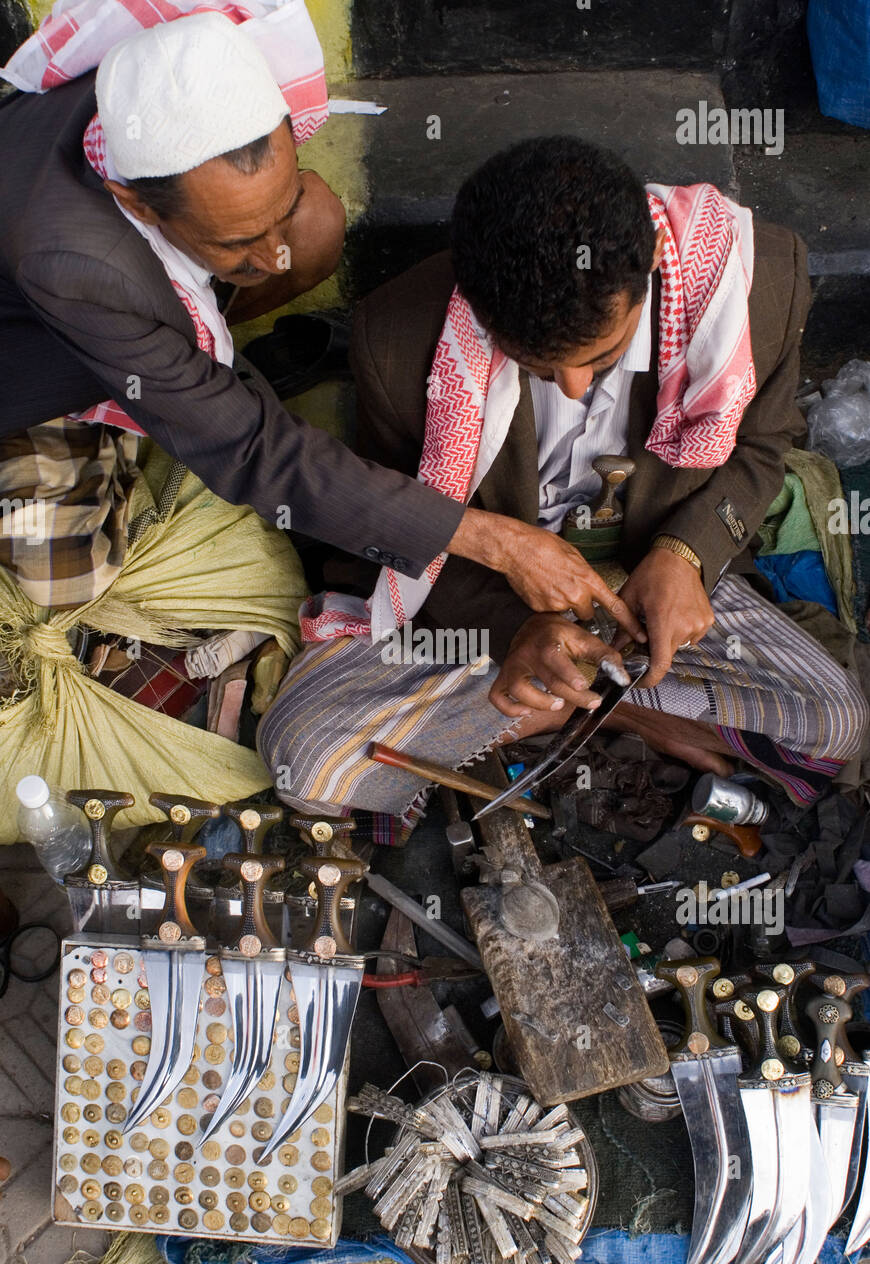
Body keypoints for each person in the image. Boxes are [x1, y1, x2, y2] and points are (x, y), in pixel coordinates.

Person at [0, 12, 628, 837]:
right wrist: (496, 540)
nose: (270, 261)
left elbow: (274, 237)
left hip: (130, 324)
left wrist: (262, 237)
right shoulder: (71, 255)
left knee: (319, 225)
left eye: (274, 208)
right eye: (235, 244)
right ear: (134, 203)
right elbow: (261, 452)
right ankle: (161, 408)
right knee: (64, 576)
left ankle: (189, 378)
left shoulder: (177, 83)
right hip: (30, 378)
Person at [259, 137, 868, 837]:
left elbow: (762, 447)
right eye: (539, 368)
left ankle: (572, 704)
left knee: (835, 721)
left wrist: (686, 556)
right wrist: (521, 630)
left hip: (651, 592)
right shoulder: (399, 338)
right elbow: (406, 533)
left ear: (654, 269)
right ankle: (625, 706)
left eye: (604, 357)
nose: (577, 387)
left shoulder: (756, 282)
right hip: (488, 606)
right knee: (303, 760)